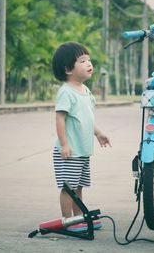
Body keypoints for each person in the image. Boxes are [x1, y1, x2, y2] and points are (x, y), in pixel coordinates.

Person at [52, 41, 111, 232]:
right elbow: (60, 119)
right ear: (68, 69)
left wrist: (99, 132)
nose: (89, 63)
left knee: (78, 187)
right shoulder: (66, 92)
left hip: (82, 151)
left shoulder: (86, 92)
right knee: (68, 187)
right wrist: (64, 144)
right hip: (69, 150)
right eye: (82, 60)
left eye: (89, 60)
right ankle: (67, 220)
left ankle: (79, 218)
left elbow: (86, 119)